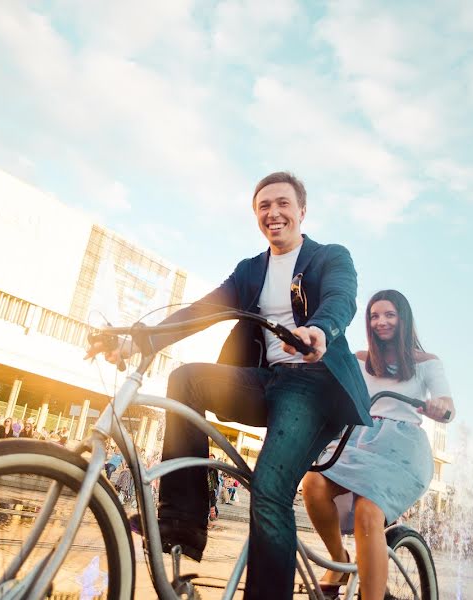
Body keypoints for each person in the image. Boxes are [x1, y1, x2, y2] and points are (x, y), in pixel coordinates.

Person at [87, 172, 370, 599]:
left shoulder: (329, 256)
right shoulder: (251, 270)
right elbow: (203, 310)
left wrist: (320, 330)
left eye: (282, 204)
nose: (273, 213)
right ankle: (181, 520)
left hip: (314, 385)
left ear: (302, 211)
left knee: (269, 490)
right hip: (266, 382)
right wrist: (139, 338)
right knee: (186, 380)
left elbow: (341, 297)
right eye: (263, 206)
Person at [301, 290, 455, 598]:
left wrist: (440, 407)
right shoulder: (359, 360)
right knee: (313, 484)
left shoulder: (426, 363)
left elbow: (448, 407)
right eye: (374, 316)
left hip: (402, 448)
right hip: (359, 438)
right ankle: (337, 559)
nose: (380, 321)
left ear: (403, 319)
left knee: (368, 511)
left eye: (389, 315)